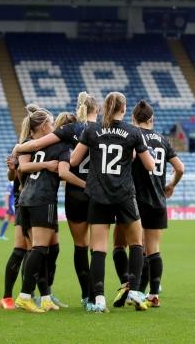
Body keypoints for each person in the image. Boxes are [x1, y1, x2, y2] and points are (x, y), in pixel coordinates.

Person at [69, 91, 157, 313]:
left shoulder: (92, 130)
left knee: (98, 248)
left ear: (105, 107)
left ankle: (98, 299)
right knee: (136, 243)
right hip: (125, 194)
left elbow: (74, 160)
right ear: (124, 108)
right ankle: (135, 291)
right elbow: (150, 166)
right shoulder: (133, 131)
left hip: (98, 194)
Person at [113, 99, 184, 308]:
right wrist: (171, 185)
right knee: (153, 249)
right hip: (158, 199)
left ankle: (129, 286)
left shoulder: (132, 135)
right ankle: (153, 294)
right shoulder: (162, 140)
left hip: (135, 199)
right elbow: (180, 168)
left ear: (133, 118)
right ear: (152, 119)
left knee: (124, 244)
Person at [14, 105, 71, 313]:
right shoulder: (61, 146)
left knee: (48, 248)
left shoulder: (28, 145)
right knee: (39, 249)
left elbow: (22, 167)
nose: (54, 124)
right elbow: (65, 170)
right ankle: (25, 295)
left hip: (26, 199)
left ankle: (46, 296)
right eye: (51, 121)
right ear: (46, 126)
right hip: (42, 199)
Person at [0, 154, 30, 310]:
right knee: (20, 250)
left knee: (35, 252)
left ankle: (27, 295)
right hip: (23, 201)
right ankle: (7, 296)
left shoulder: (47, 145)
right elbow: (11, 177)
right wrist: (13, 169)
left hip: (41, 201)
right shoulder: (22, 148)